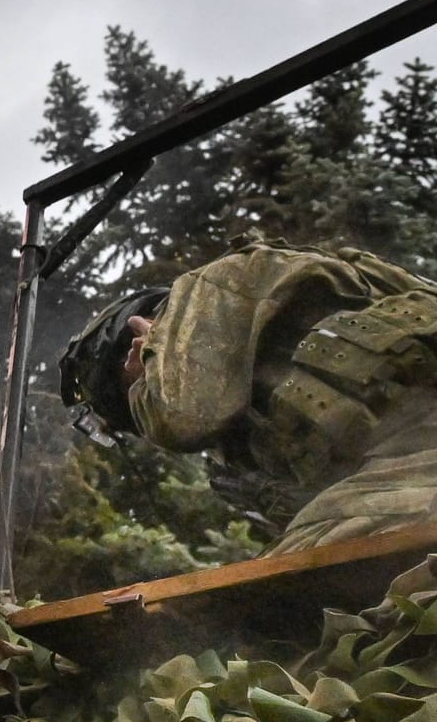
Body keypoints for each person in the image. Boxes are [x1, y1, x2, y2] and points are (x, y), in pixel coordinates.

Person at [60, 236, 437, 558]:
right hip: (402, 456)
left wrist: (153, 355)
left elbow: (181, 417)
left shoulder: (209, 287)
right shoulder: (239, 409)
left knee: (296, 577)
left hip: (418, 450)